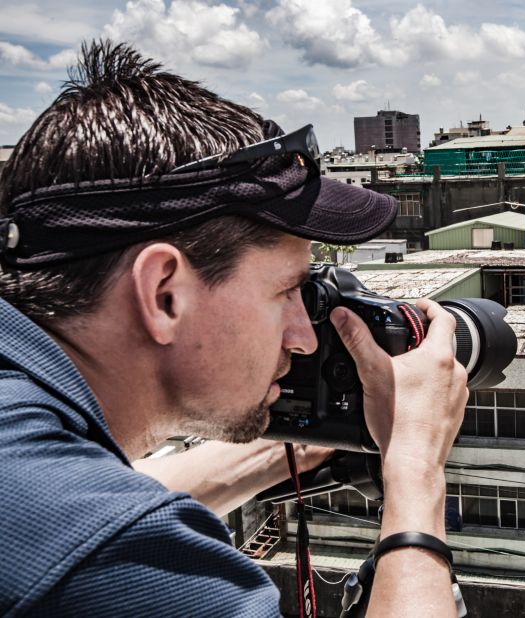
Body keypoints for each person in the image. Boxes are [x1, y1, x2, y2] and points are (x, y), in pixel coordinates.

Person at [0, 40, 467, 616]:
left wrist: (300, 449)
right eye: (288, 291)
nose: (303, 336)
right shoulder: (124, 564)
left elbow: (79, 510)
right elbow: (99, 539)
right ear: (164, 293)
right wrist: (417, 468)